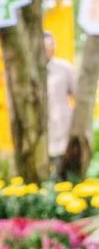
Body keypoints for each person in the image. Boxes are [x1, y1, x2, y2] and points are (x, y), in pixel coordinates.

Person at [45, 32, 75, 170]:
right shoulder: (30, 71)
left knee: (62, 164)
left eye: (51, 45)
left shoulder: (65, 68)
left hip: (62, 125)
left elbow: (78, 94)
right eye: (46, 46)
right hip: (42, 128)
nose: (49, 49)